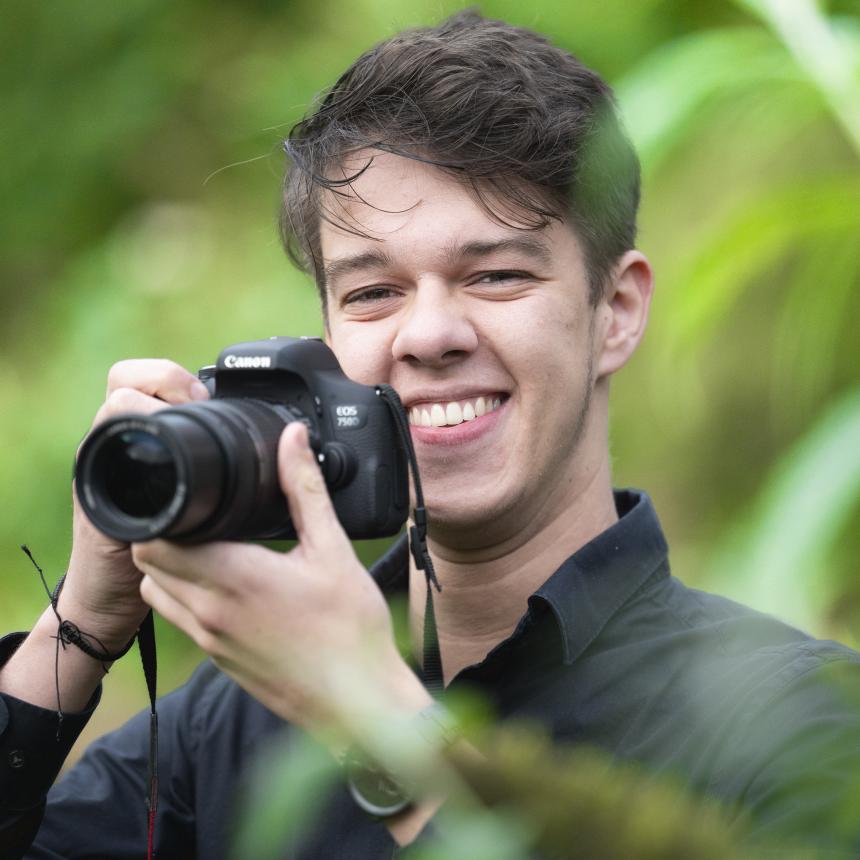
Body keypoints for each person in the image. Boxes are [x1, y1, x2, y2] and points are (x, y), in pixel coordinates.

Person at [2, 10, 859, 859]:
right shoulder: (230, 721)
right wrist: (80, 624)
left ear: (616, 313)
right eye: (373, 292)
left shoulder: (802, 718)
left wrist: (368, 716)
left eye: (495, 275)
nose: (429, 334)